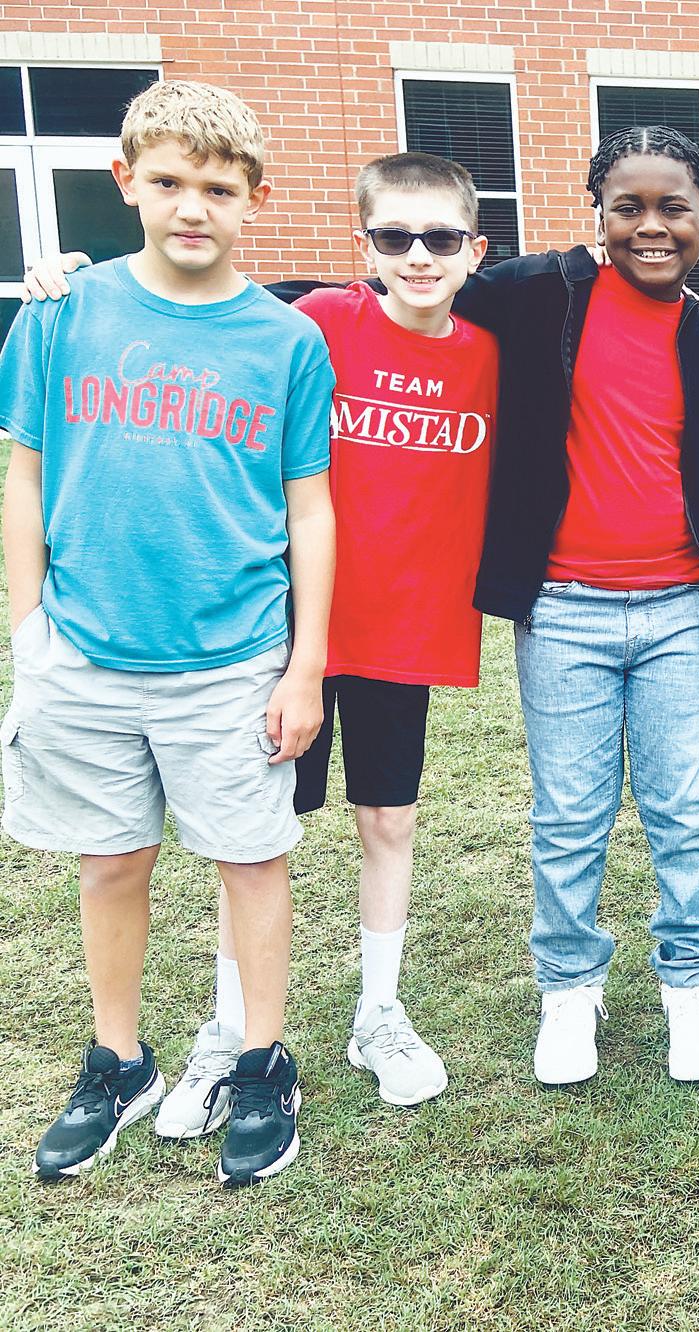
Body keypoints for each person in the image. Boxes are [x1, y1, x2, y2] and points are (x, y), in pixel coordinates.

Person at [1, 81, 334, 1185]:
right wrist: (29, 627)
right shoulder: (62, 313)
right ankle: (118, 1060)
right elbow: (25, 472)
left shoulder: (286, 341)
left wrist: (305, 664)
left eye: (219, 189)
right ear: (126, 182)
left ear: (255, 201)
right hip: (85, 653)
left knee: (252, 860)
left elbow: (309, 508)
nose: (193, 206)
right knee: (110, 863)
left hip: (231, 658)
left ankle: (261, 1063)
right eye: (170, 182)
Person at [451, 126, 699, 1086]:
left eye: (673, 208)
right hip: (564, 607)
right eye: (629, 207)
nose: (651, 227)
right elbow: (402, 294)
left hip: (679, 608)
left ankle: (693, 985)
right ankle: (570, 988)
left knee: (684, 810)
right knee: (570, 815)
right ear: (600, 215)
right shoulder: (540, 293)